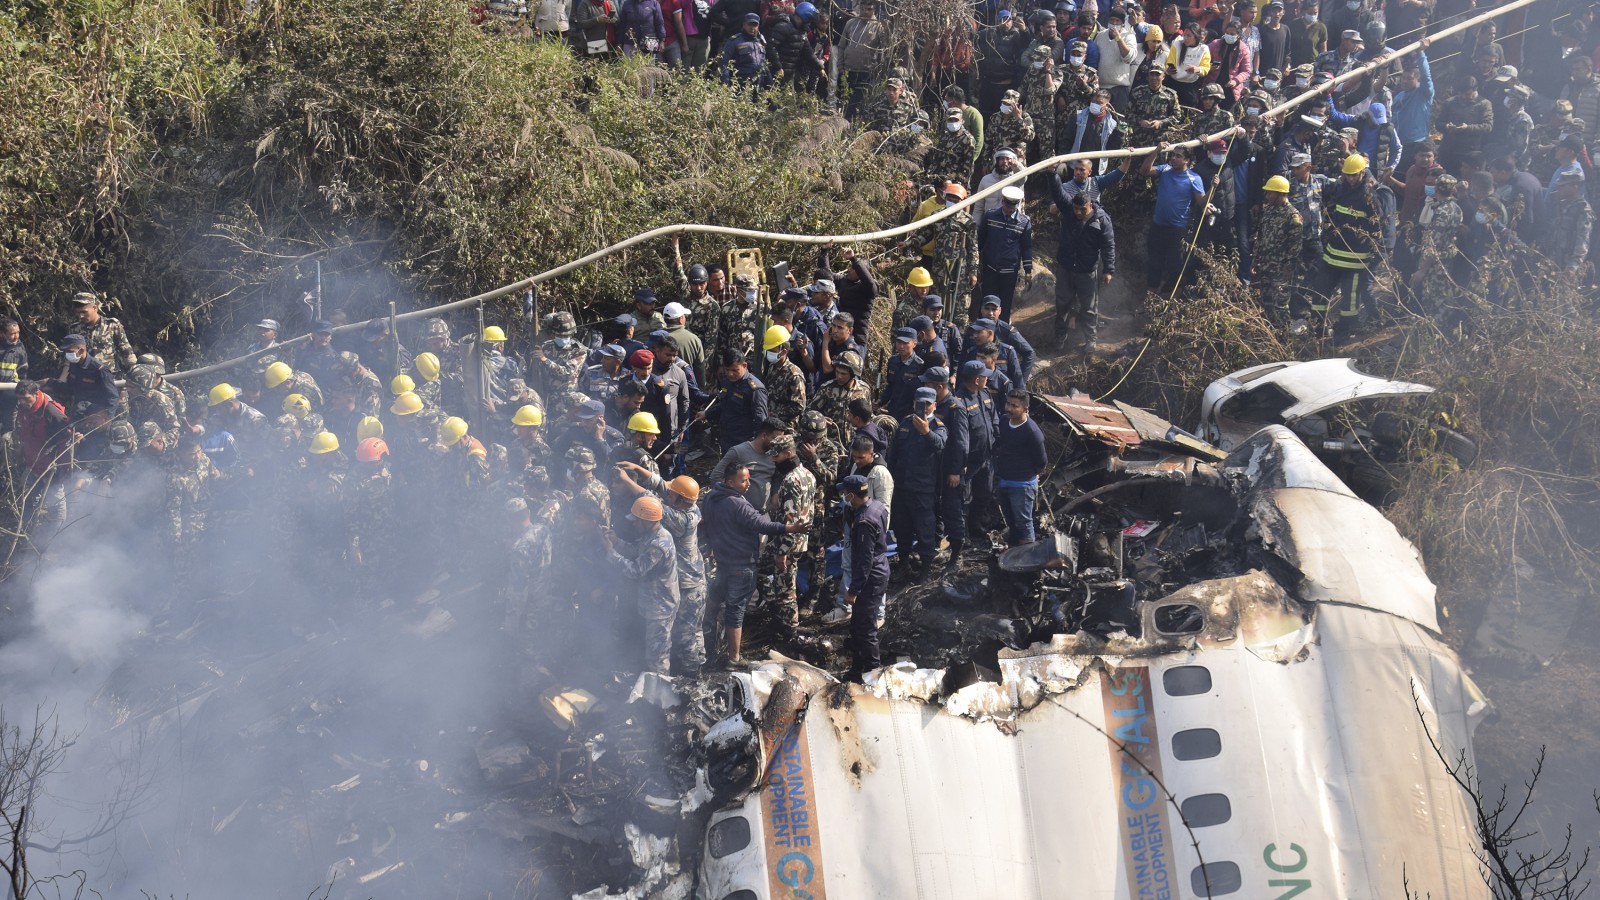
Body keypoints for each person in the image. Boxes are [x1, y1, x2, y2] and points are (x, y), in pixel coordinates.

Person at [699, 462, 805, 666]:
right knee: (735, 610)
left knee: (713, 600)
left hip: (722, 562)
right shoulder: (738, 504)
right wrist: (790, 528)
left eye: (748, 479)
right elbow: (761, 524)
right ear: (730, 482)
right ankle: (734, 658)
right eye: (743, 480)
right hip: (741, 565)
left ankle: (706, 641)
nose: (748, 484)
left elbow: (708, 523)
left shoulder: (711, 497)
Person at [616, 466, 706, 676]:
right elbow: (663, 486)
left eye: (672, 494)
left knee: (686, 637)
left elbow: (652, 503)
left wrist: (628, 482)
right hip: (692, 580)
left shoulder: (681, 519)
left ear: (680, 500)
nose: (668, 493)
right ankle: (695, 669)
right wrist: (638, 469)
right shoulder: (689, 505)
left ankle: (693, 677)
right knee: (694, 632)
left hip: (688, 585)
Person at [1313, 153, 1386, 342]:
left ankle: (1344, 332)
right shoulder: (1340, 189)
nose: (1350, 178)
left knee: (1350, 298)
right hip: (1333, 253)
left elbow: (1377, 228)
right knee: (1321, 289)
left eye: (1354, 175)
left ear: (1363, 173)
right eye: (1347, 174)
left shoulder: (1369, 196)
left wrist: (1373, 254)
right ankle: (1318, 327)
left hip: (1355, 258)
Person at [755, 434, 815, 636]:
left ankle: (789, 628)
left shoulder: (790, 481)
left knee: (786, 586)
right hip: (798, 541)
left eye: (777, 456)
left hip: (787, 542)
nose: (773, 460)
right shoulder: (808, 474)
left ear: (789, 454)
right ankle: (776, 612)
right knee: (764, 570)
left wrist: (782, 552)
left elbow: (791, 519)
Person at [886, 387, 946, 577]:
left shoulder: (938, 426)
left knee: (925, 529)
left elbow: (940, 445)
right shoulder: (905, 422)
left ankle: (925, 571)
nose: (924, 407)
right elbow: (893, 455)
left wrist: (926, 432)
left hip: (924, 489)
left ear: (934, 405)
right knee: (902, 528)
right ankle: (903, 565)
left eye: (928, 404)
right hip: (902, 487)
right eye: (920, 403)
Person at [837, 473, 891, 679]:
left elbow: (864, 560)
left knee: (866, 627)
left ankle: (872, 673)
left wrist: (853, 591)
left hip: (871, 577)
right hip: (879, 568)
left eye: (845, 494)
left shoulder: (864, 522)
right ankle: (857, 668)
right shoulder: (877, 507)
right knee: (858, 623)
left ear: (851, 495)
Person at [1141, 143, 1207, 294]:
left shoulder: (1194, 178)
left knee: (1174, 265)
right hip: (1158, 225)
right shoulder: (1165, 169)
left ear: (1187, 160)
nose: (1174, 158)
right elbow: (1144, 171)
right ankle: (1150, 297)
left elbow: (1201, 202)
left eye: (1178, 156)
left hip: (1177, 229)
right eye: (1173, 155)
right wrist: (1157, 150)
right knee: (1154, 263)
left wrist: (1213, 189)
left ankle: (1173, 299)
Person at [1055, 192, 1116, 348]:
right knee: (1062, 304)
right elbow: (1057, 192)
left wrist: (1108, 269)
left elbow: (1108, 246)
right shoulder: (1069, 211)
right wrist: (1052, 174)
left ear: (1090, 205)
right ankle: (1060, 337)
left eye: (1082, 209)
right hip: (1066, 267)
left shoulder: (1101, 220)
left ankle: (1090, 340)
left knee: (1089, 308)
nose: (1078, 212)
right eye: (1075, 208)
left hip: (1086, 271)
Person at [993, 390, 1046, 545]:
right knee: (1011, 523)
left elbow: (1042, 462)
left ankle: (1028, 559)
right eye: (1008, 403)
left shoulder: (1032, 432)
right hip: (1004, 481)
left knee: (1023, 523)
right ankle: (1014, 556)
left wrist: (1031, 474)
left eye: (1014, 406)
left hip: (1022, 485)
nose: (1008, 408)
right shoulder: (1004, 421)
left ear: (1025, 409)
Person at [976, 185, 1034, 322]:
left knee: (1005, 305)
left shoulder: (1024, 222)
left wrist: (1028, 270)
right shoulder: (990, 216)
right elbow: (980, 241)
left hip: (1009, 271)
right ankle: (982, 331)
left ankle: (1001, 335)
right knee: (986, 301)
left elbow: (1027, 247)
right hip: (990, 268)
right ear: (1003, 201)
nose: (1009, 210)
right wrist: (976, 263)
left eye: (1013, 207)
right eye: (1008, 205)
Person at [710, 415, 787, 509]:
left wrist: (775, 494)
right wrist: (730, 502)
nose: (779, 444)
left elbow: (775, 477)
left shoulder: (774, 455)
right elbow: (715, 477)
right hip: (739, 514)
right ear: (764, 435)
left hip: (762, 515)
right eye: (776, 439)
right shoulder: (738, 452)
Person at [704, 350, 768, 453]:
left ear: (744, 365)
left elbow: (760, 420)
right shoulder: (727, 381)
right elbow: (724, 406)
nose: (730, 374)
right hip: (726, 441)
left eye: (735, 370)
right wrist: (707, 414)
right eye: (727, 369)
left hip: (744, 445)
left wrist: (757, 448)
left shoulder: (755, 389)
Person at [67, 291, 137, 378]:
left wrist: (135, 372)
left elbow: (126, 350)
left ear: (95, 308)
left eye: (84, 312)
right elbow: (69, 357)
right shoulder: (74, 329)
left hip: (109, 377)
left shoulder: (112, 325)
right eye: (77, 313)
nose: (80, 316)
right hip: (85, 378)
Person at [1540, 169, 1593, 279]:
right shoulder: (1561, 204)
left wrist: (1573, 266)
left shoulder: (1583, 210)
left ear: (1575, 187)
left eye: (1563, 186)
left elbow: (1582, 240)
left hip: (1567, 267)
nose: (1559, 189)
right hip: (1553, 261)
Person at [882, 327, 925, 420]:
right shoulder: (892, 361)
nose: (901, 346)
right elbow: (890, 386)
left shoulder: (919, 365)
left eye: (905, 343)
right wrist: (880, 401)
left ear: (914, 344)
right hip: (892, 410)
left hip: (909, 413)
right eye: (899, 342)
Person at [720, 13, 771, 91]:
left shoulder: (761, 42)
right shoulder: (735, 41)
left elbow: (765, 66)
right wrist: (726, 85)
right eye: (749, 24)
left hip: (758, 88)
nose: (752, 28)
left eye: (755, 25)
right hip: (739, 87)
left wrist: (770, 87)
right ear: (744, 25)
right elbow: (724, 64)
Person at [0, 319, 28, 441]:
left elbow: (23, 371)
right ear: (2, 334)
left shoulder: (19, 349)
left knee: (9, 400)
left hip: (10, 386)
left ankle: (8, 431)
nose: (16, 336)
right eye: (12, 333)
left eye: (18, 332)